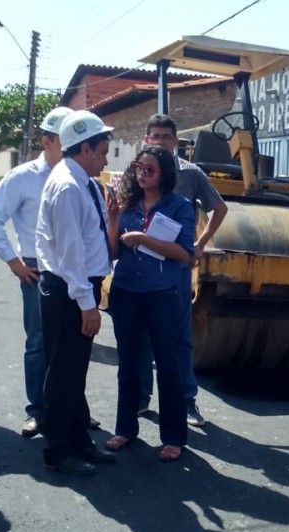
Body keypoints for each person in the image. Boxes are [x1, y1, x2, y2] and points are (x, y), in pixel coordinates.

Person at [0, 106, 74, 437]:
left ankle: (71, 408)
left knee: (72, 344)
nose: (74, 147)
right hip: (36, 270)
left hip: (73, 270)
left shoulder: (79, 175)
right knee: (38, 342)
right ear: (47, 141)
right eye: (67, 141)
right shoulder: (21, 178)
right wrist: (14, 262)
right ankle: (38, 410)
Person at [34, 110, 118, 475]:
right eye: (101, 150)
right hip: (71, 290)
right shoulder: (68, 186)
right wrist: (88, 304)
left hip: (78, 287)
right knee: (64, 374)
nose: (105, 158)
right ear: (84, 147)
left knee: (74, 372)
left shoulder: (82, 181)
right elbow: (70, 255)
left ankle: (80, 440)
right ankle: (59, 451)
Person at [104, 145, 195, 461]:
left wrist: (144, 239)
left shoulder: (179, 207)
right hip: (126, 291)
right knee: (128, 364)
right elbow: (114, 252)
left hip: (162, 294)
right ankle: (125, 429)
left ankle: (173, 437)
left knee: (167, 365)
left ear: (164, 174)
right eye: (138, 166)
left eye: (149, 169)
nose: (141, 173)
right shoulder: (127, 205)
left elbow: (184, 255)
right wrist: (114, 220)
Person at [137, 114, 229, 427]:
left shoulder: (190, 174)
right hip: (143, 265)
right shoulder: (138, 172)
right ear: (147, 139)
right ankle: (141, 397)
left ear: (176, 141)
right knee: (144, 334)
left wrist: (200, 244)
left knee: (179, 336)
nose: (160, 141)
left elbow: (220, 208)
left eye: (166, 136)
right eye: (155, 136)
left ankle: (186, 401)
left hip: (176, 267)